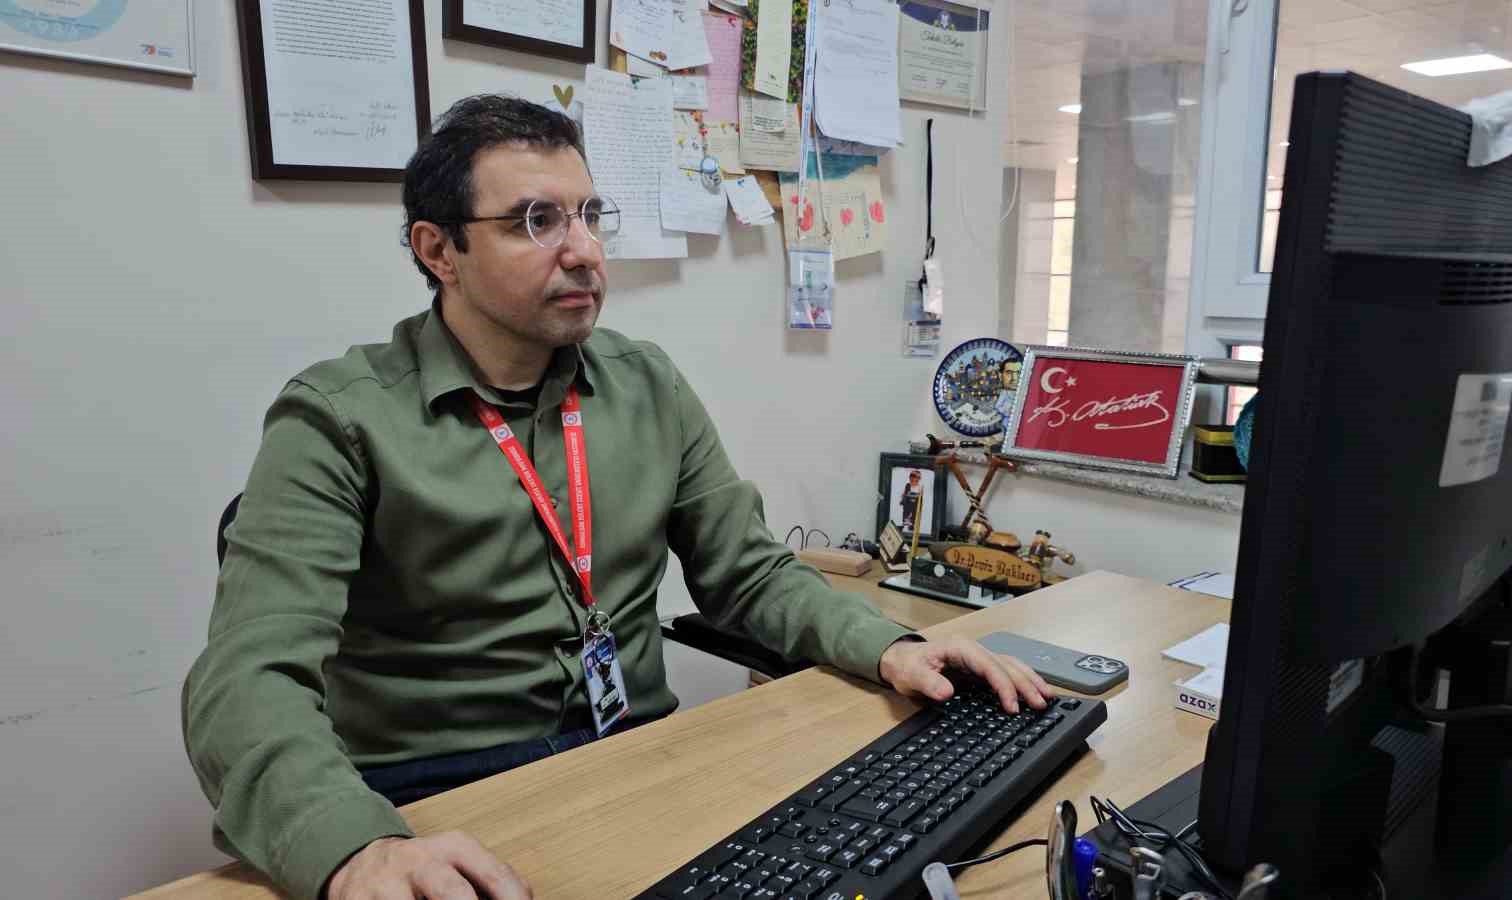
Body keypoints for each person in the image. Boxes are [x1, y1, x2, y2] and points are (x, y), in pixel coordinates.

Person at [181, 95, 1050, 900]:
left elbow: (748, 574)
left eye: (590, 215)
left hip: (639, 760)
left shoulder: (646, 385)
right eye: (536, 221)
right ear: (438, 251)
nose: (584, 251)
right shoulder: (338, 419)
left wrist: (891, 648)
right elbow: (247, 678)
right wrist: (353, 848)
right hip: (440, 797)